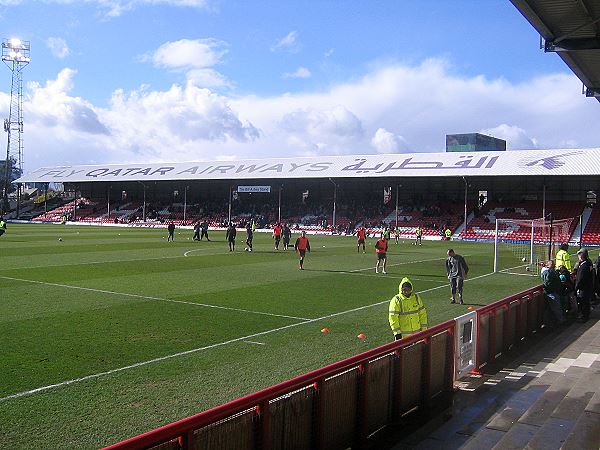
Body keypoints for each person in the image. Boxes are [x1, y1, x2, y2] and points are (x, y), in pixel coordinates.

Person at [540, 260, 566, 326]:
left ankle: (559, 320)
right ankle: (560, 320)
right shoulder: (549, 272)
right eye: (553, 264)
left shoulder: (549, 272)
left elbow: (548, 283)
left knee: (555, 308)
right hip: (553, 292)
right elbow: (549, 283)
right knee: (556, 307)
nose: (554, 266)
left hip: (551, 292)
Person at [575, 248, 593, 322]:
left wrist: (576, 288)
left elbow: (580, 279)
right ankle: (586, 316)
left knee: (583, 302)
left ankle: (584, 317)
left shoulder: (583, 266)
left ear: (581, 256)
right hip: (588, 287)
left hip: (583, 288)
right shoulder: (588, 263)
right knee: (586, 302)